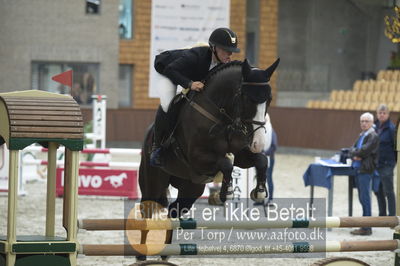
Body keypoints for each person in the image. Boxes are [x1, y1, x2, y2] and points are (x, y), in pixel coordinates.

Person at [150, 28, 241, 166]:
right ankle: (157, 147)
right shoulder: (196, 56)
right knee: (167, 103)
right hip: (166, 70)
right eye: (226, 50)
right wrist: (189, 84)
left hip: (186, 74)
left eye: (232, 51)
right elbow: (170, 70)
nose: (230, 54)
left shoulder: (222, 64)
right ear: (214, 48)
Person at [349, 112, 379, 236]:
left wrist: (357, 154)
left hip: (366, 170)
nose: (364, 123)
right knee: (362, 198)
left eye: (366, 121)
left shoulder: (373, 135)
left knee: (365, 198)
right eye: (362, 121)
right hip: (358, 169)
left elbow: (364, 151)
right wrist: (355, 154)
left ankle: (366, 227)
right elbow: (352, 149)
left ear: (372, 123)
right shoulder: (362, 134)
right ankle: (365, 225)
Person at [373, 104, 396, 216]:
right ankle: (382, 215)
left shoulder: (392, 129)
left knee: (388, 191)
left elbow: (396, 148)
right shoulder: (374, 127)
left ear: (388, 114)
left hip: (387, 164)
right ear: (377, 114)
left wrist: (392, 163)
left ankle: (392, 216)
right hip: (376, 164)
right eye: (380, 113)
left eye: (384, 113)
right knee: (377, 190)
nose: (381, 115)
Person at [264, 127, 277, 206]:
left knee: (269, 178)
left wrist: (265, 153)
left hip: (269, 158)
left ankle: (271, 199)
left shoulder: (271, 131)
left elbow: (274, 146)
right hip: (260, 158)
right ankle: (260, 198)